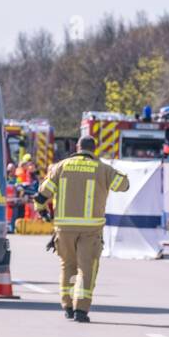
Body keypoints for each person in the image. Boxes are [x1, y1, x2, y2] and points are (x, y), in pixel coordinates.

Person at [35, 135, 129, 323]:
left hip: (64, 229)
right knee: (86, 270)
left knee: (67, 266)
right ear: (94, 149)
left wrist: (43, 212)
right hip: (90, 231)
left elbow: (41, 195)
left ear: (77, 147)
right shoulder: (102, 169)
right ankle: (81, 310)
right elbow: (124, 186)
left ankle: (68, 306)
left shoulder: (61, 167)